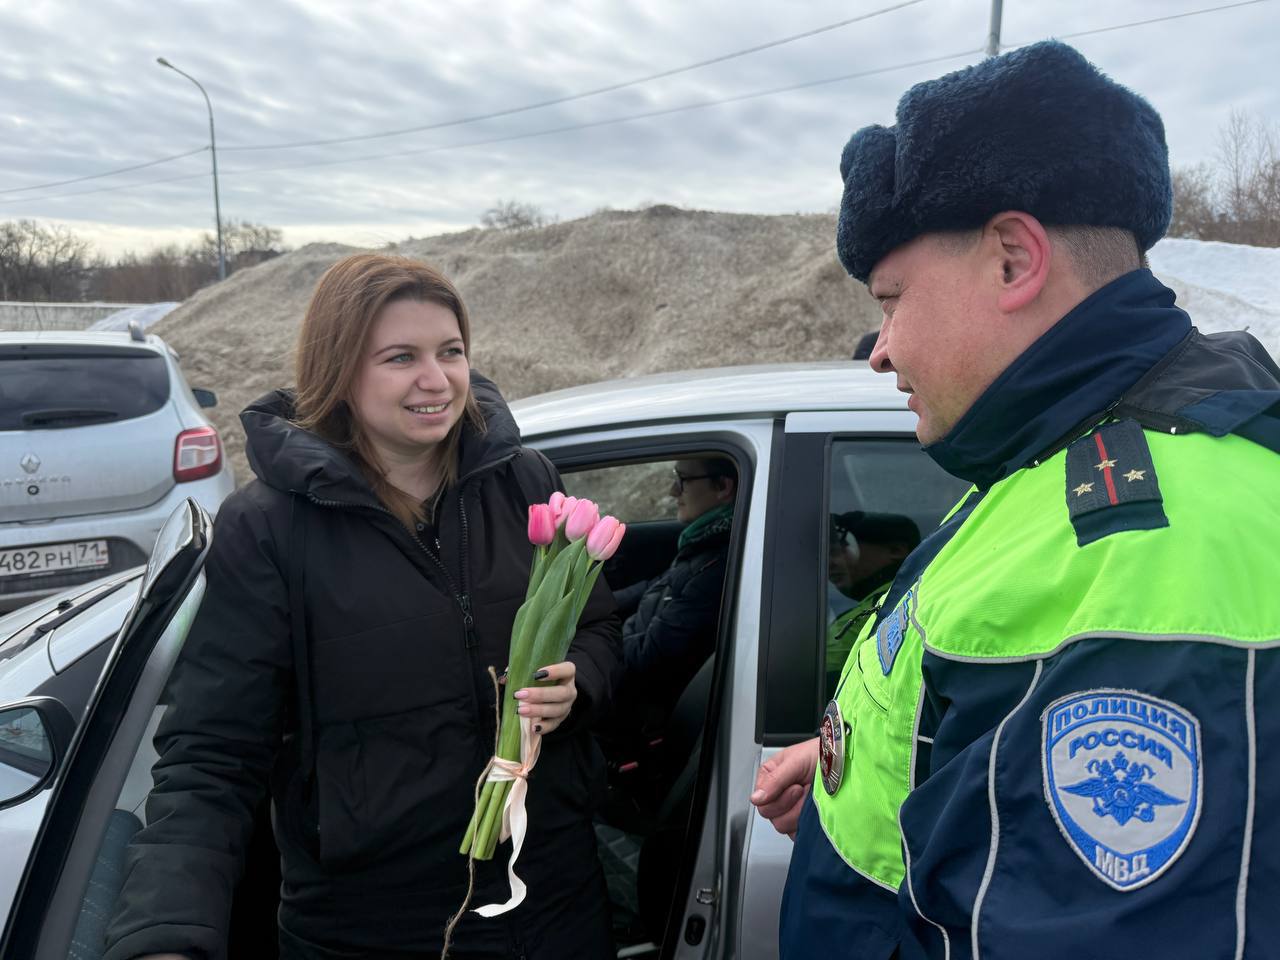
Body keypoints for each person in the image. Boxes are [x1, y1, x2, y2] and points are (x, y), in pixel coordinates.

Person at [751, 41, 1280, 958]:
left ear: (1012, 261)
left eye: (891, 299)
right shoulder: (1057, 456)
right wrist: (861, 773)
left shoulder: (1138, 551)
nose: (877, 349)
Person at [104, 254, 622, 960]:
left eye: (451, 352)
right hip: (373, 922)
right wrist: (163, 934)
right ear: (341, 369)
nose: (435, 380)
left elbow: (596, 625)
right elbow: (213, 754)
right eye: (400, 357)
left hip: (549, 890)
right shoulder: (271, 528)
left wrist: (579, 683)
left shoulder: (522, 480)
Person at [611, 458, 735, 743]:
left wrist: (592, 649)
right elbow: (652, 587)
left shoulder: (716, 569)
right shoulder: (704, 545)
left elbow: (649, 658)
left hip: (643, 714)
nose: (672, 491)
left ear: (722, 487)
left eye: (682, 479)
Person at [824, 511, 919, 695]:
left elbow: (822, 670)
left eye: (844, 548)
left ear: (896, 551)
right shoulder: (881, 601)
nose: (831, 563)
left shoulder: (888, 604)